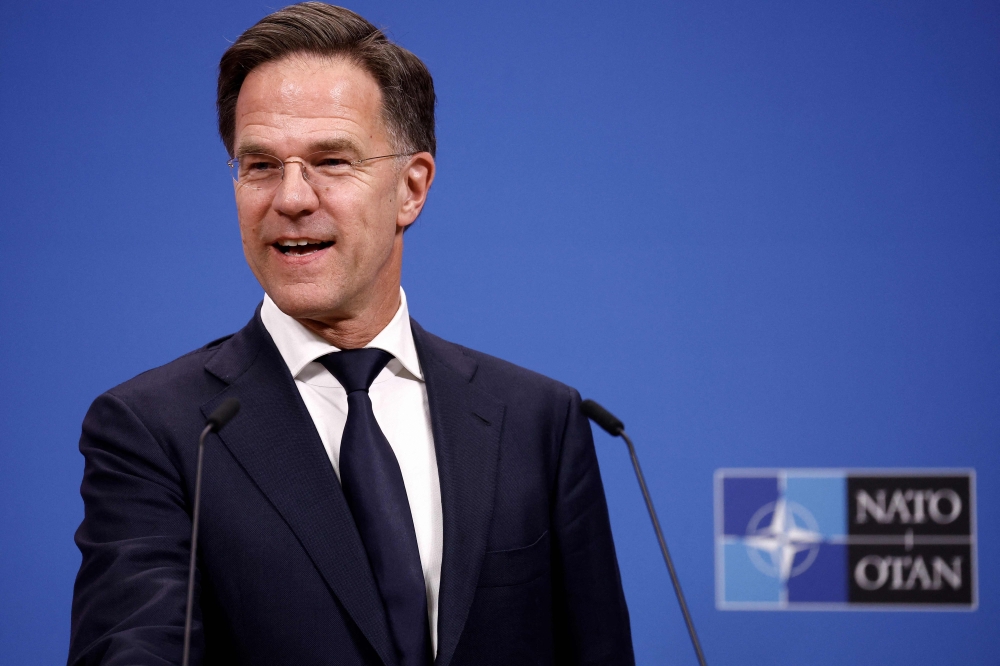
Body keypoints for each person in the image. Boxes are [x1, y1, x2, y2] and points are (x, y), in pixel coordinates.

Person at [68, 4, 633, 665]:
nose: (292, 198)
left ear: (411, 189)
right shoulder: (161, 431)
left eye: (331, 160)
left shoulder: (539, 419)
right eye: (259, 165)